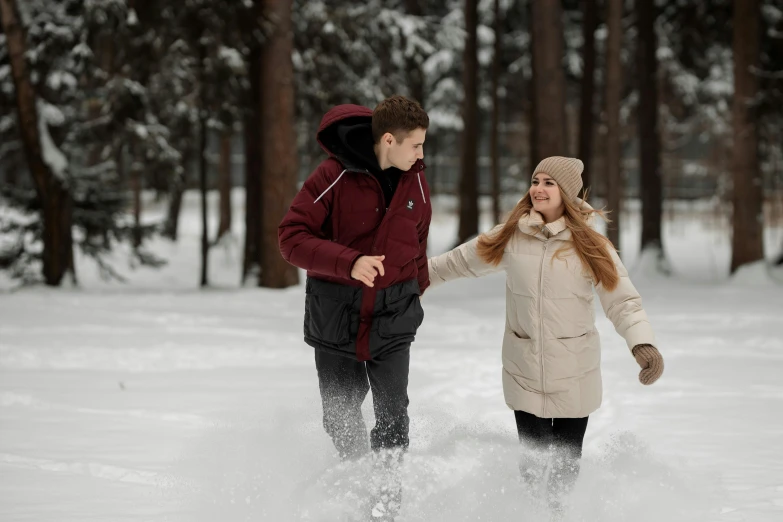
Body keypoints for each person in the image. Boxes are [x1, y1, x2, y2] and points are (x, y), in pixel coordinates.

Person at [426, 156, 664, 512]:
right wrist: (414, 278)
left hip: (574, 371)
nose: (538, 188)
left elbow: (623, 300)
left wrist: (642, 344)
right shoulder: (512, 235)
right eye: (535, 181)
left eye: (549, 182)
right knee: (533, 468)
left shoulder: (591, 245)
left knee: (565, 472)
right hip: (524, 368)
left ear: (565, 192)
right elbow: (459, 261)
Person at [278, 95, 431, 520]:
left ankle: (384, 507)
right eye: (416, 145)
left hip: (393, 318)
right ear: (388, 140)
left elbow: (417, 239)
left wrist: (415, 288)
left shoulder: (415, 178)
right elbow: (291, 238)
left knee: (394, 418)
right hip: (337, 319)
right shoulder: (332, 175)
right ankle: (353, 486)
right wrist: (350, 262)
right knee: (341, 418)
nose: (422, 153)